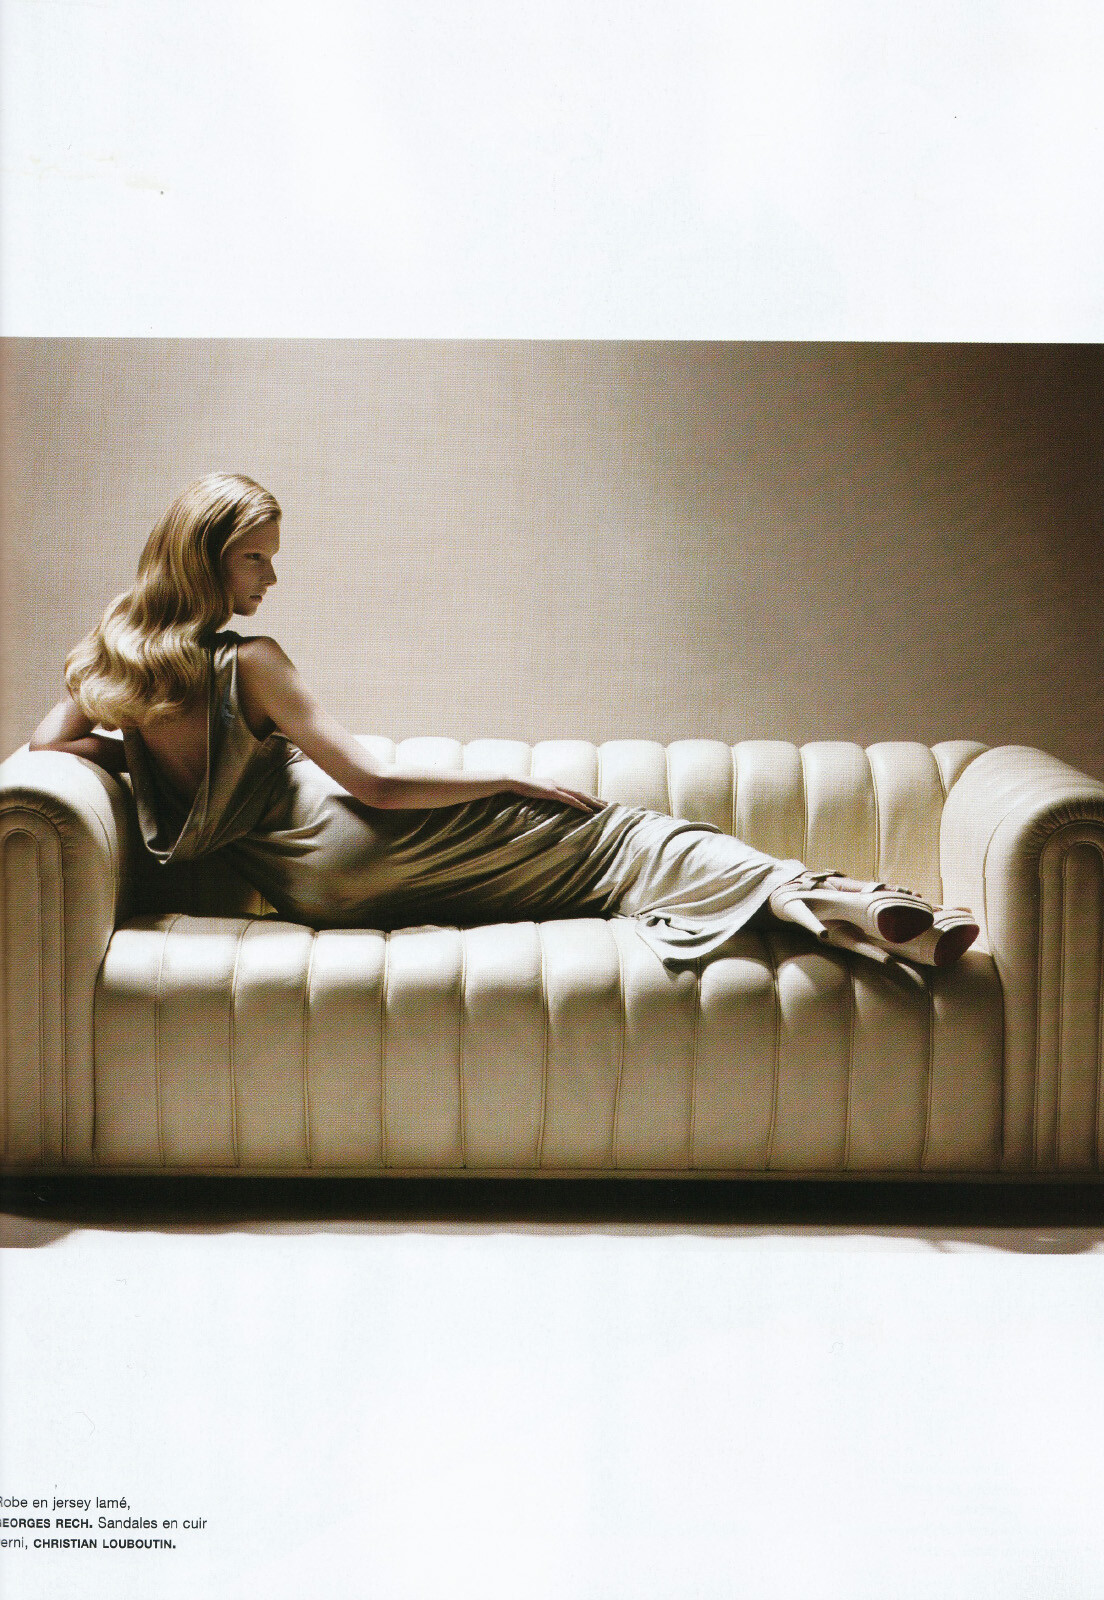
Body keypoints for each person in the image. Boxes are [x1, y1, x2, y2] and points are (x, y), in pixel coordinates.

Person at [30, 473, 979, 971]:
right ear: (205, 556)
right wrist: (509, 779)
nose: (270, 578)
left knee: (604, 871)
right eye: (254, 559)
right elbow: (376, 786)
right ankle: (839, 901)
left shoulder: (114, 658)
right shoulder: (251, 663)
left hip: (311, 888)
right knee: (622, 838)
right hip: (360, 838)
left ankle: (837, 910)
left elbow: (45, 749)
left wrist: (133, 754)